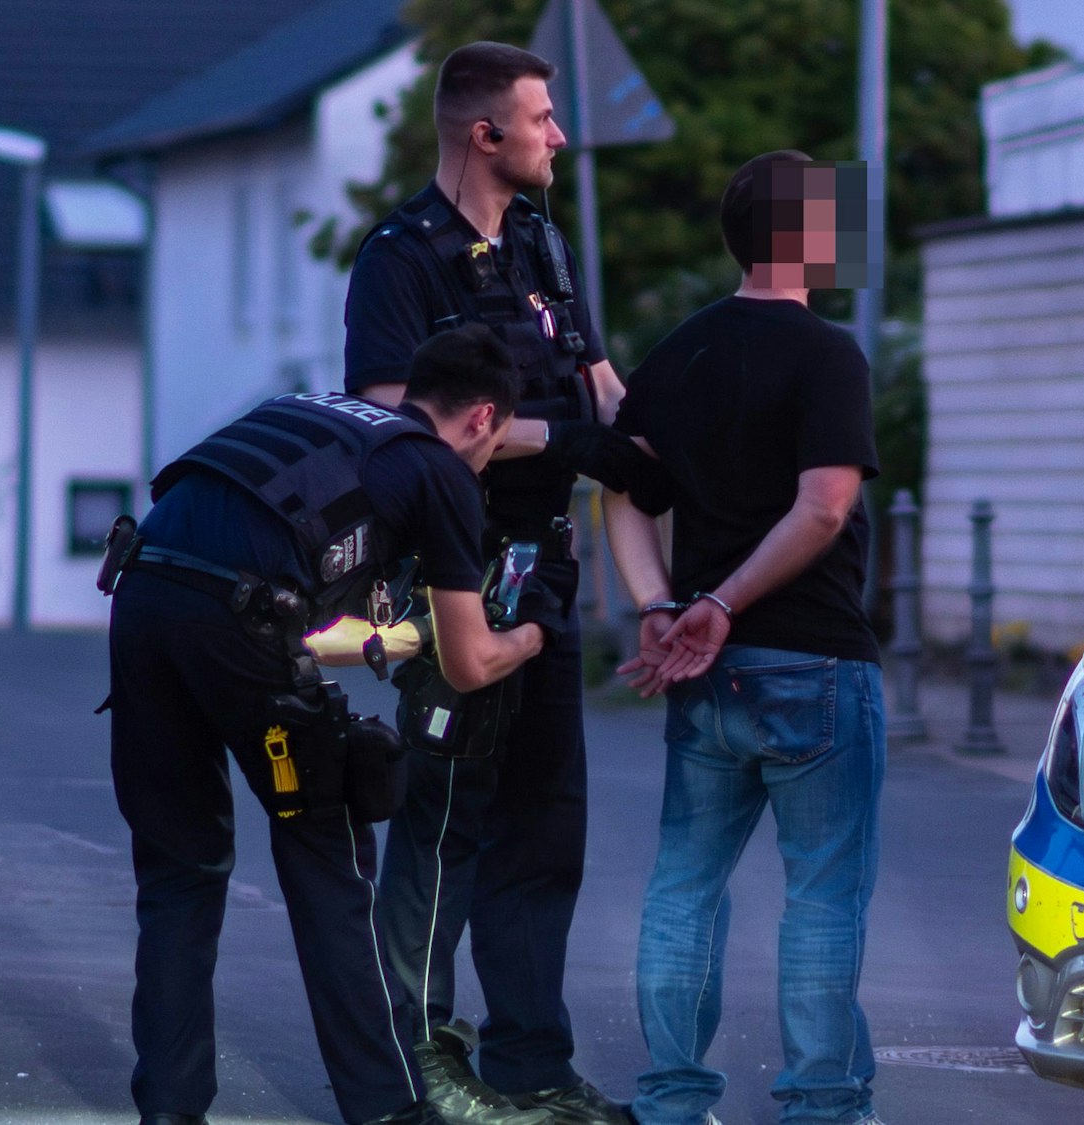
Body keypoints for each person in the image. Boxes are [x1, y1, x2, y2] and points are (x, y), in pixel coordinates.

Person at [104, 325, 546, 1125]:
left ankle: (169, 1110)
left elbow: (300, 618)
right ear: (483, 418)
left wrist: (395, 636)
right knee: (331, 857)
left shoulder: (312, 415)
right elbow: (472, 662)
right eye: (496, 443)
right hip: (240, 619)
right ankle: (388, 1110)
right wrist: (535, 630)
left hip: (143, 595)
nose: (485, 461)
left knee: (180, 869)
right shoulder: (439, 470)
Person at [343, 39, 656, 1125]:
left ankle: (529, 1068)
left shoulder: (538, 242)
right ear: (486, 135)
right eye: (542, 119)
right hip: (452, 563)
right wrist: (563, 442)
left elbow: (601, 386)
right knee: (443, 823)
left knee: (541, 824)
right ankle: (414, 1066)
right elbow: (397, 414)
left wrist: (675, 435)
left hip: (543, 568)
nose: (559, 136)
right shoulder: (401, 257)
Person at [602, 151, 889, 1125]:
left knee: (683, 888)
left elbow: (625, 494)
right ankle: (820, 1106)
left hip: (703, 674)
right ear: (808, 237)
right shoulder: (827, 353)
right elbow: (824, 508)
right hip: (813, 661)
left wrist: (655, 604)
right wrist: (719, 602)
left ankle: (672, 1103)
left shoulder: (676, 354)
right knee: (820, 898)